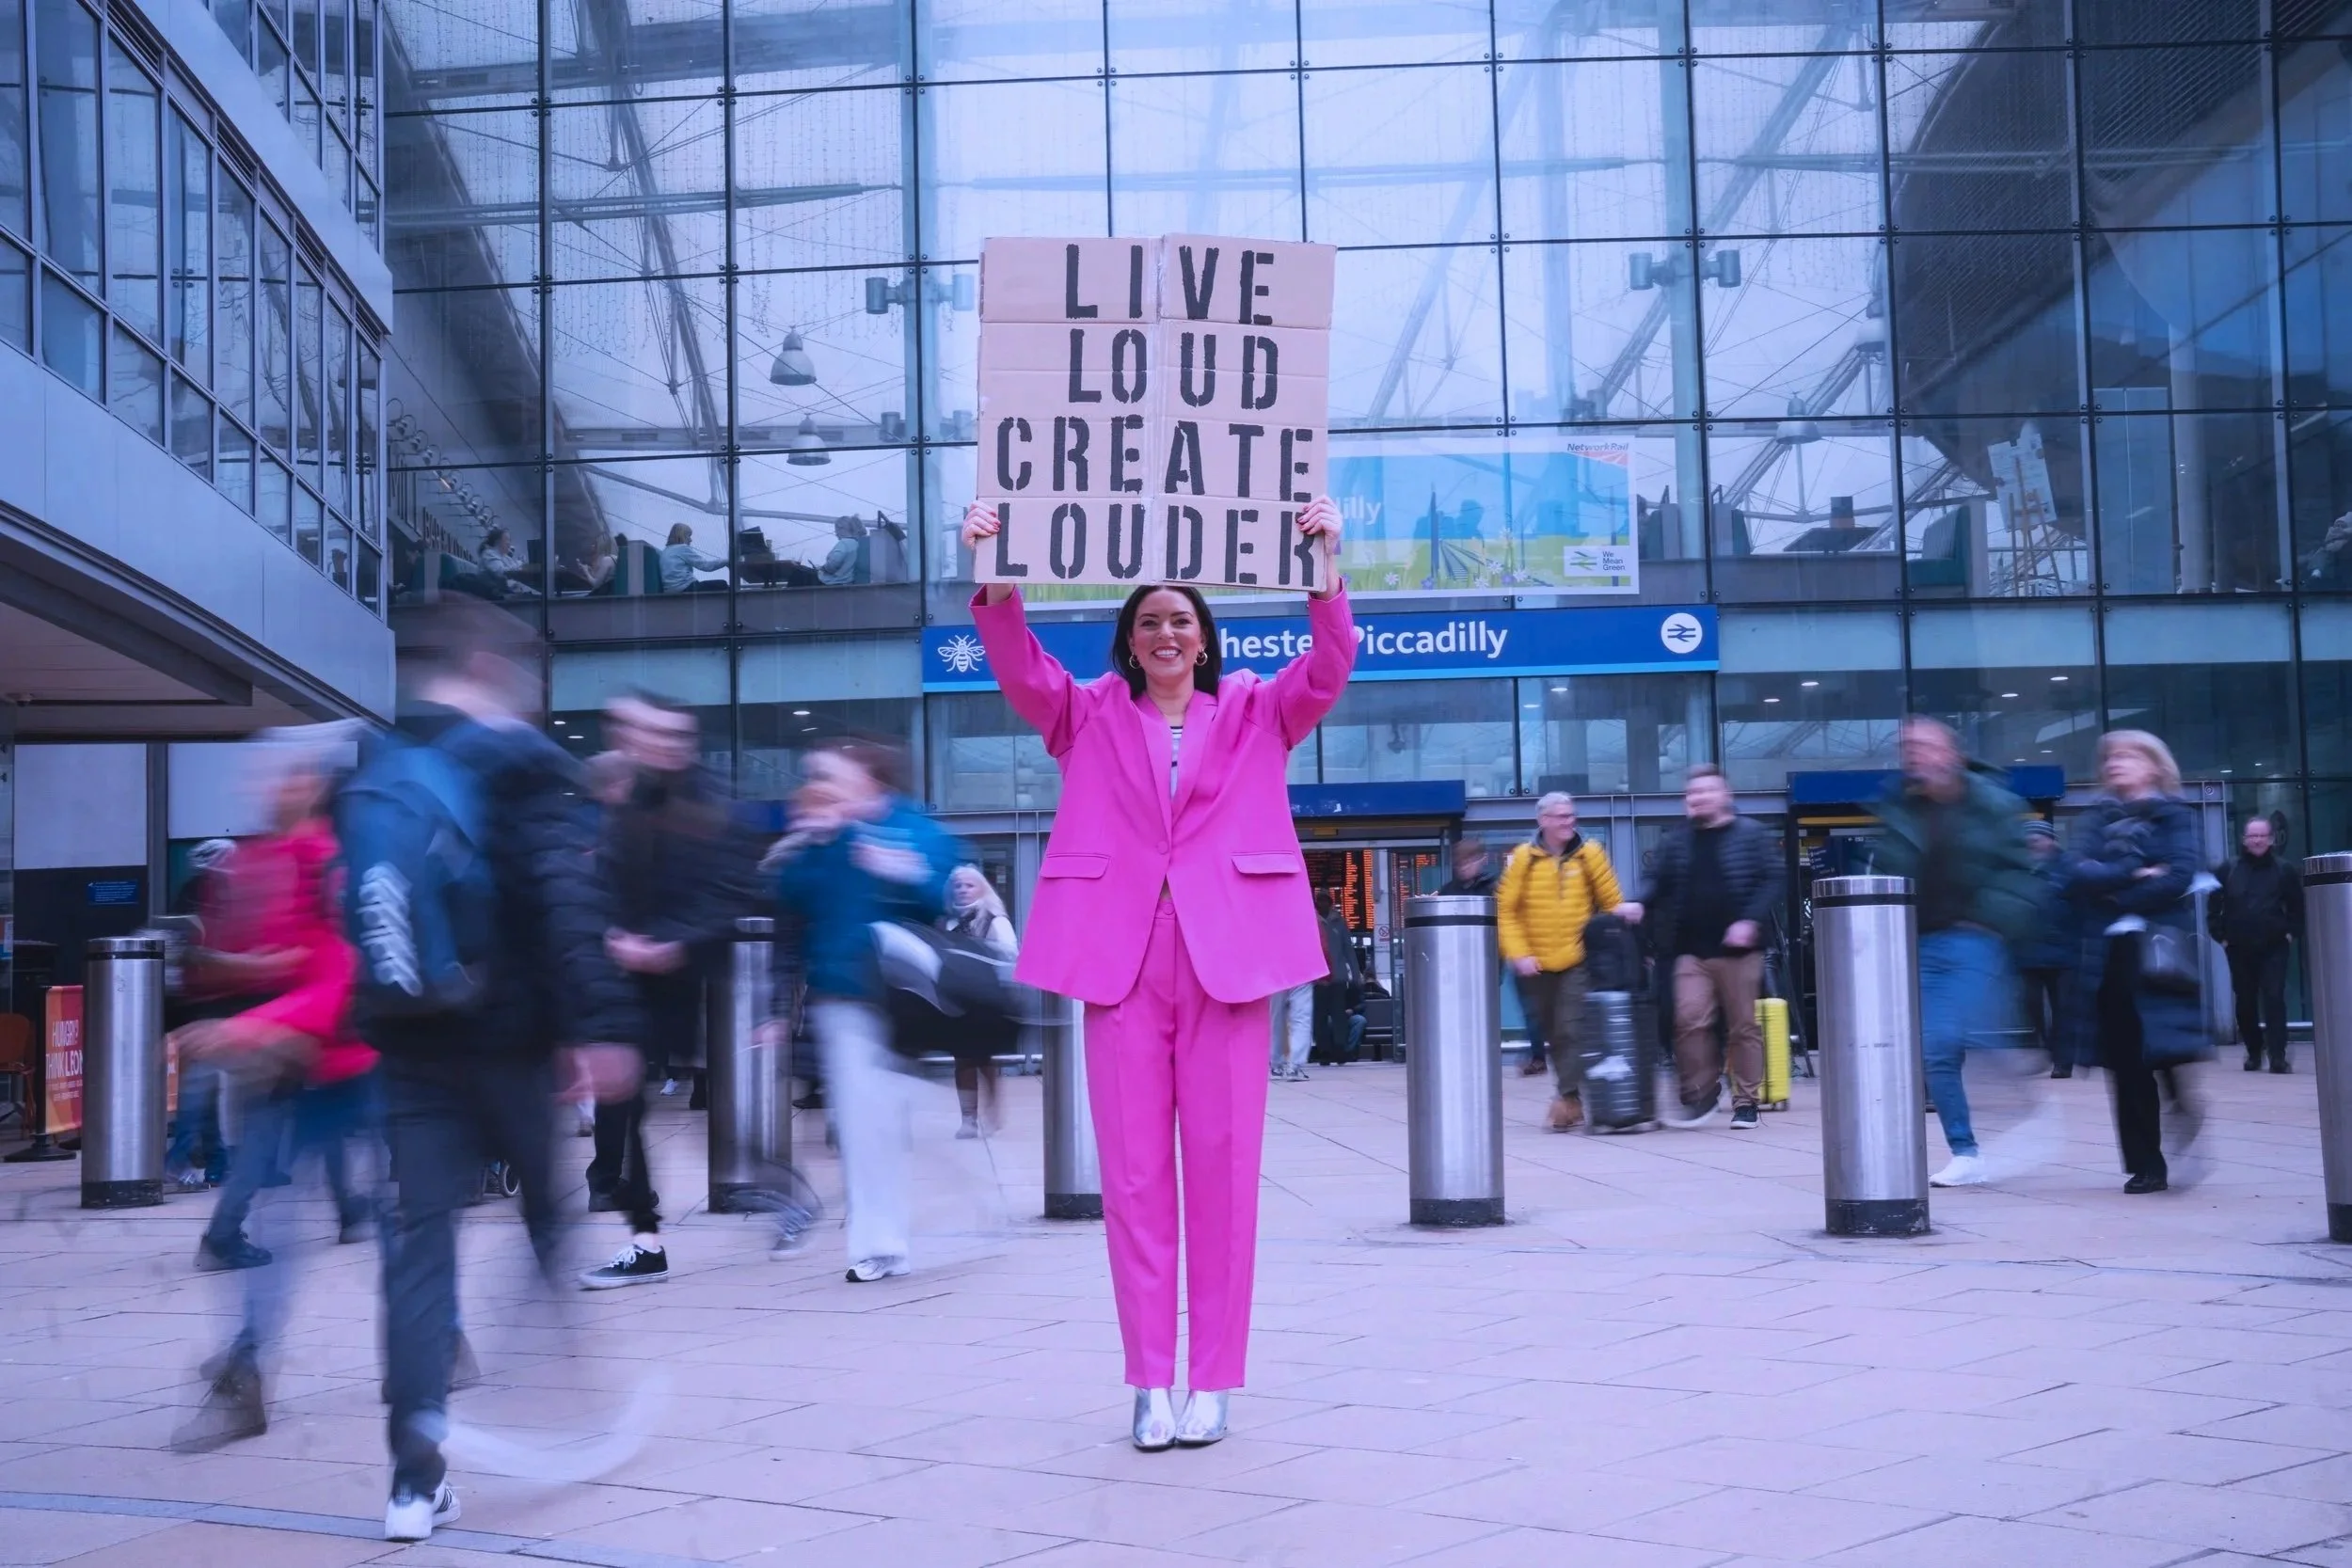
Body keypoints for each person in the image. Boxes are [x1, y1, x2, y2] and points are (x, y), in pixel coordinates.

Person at [961, 495, 1351, 1452]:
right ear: (1128, 643)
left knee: (1223, 1179)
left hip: (1227, 959)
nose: (1167, 632)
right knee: (1134, 1181)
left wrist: (1326, 564)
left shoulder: (1259, 710)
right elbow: (1016, 665)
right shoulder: (1082, 715)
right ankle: (1148, 1381)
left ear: (1204, 637)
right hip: (1121, 960)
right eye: (1149, 621)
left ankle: (1212, 1378)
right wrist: (992, 567)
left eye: (1182, 618)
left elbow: (1332, 665)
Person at [370, 599, 644, 1545]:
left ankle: (412, 1478)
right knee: (547, 1217)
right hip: (511, 1042)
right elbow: (564, 902)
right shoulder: (526, 766)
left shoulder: (378, 762)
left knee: (418, 1250)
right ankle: (550, 1397)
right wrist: (597, 1026)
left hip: (410, 1044)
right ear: (488, 664)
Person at [172, 732, 375, 1451]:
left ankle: (250, 1370)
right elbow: (275, 959)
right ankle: (249, 1364)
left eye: (284, 775)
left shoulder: (328, 862)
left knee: (317, 1227)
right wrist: (234, 980)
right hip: (295, 1065)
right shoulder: (268, 857)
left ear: (312, 785)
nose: (268, 785)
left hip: (350, 1063)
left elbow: (336, 969)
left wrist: (253, 1022)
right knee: (290, 1223)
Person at [580, 694, 754, 1289]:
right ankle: (645, 1238)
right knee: (626, 1106)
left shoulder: (709, 805)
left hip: (696, 979)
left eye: (660, 732)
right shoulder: (632, 801)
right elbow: (610, 886)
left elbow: (729, 896)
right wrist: (612, 937)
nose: (647, 742)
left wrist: (670, 946)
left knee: (721, 1115)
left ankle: (779, 1190)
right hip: (634, 980)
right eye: (634, 731)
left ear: (685, 737)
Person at [771, 738, 961, 1280]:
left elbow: (946, 893)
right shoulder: (826, 835)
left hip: (904, 998)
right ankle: (880, 1244)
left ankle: (909, 1222)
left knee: (879, 1121)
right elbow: (790, 900)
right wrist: (804, 845)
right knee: (861, 1125)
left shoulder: (912, 826)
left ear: (868, 778)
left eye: (832, 773)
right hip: (844, 998)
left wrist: (899, 868)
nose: (821, 783)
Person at [1871, 718, 2041, 1188]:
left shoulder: (1991, 803)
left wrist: (1989, 919)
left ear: (1950, 753)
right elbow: (1890, 868)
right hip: (1921, 941)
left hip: (1973, 937)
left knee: (1948, 1039)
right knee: (1936, 1049)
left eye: (1923, 745)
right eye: (1906, 746)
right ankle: (1967, 1151)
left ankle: (2015, 1115)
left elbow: (2020, 874)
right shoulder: (1899, 806)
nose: (1913, 754)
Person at [2060, 731, 2204, 1194]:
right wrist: (2133, 874)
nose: (2116, 763)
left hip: (2156, 946)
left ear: (2155, 766)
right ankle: (2147, 1163)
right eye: (2111, 757)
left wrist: (2112, 893)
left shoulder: (2172, 814)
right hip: (2107, 952)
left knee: (2161, 1047)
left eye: (2128, 755)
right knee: (2124, 1059)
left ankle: (2181, 1098)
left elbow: (2180, 874)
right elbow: (2074, 873)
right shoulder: (2097, 817)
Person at [1636, 765, 1783, 1131]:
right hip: (1691, 949)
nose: (1698, 798)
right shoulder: (1677, 839)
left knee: (1742, 1027)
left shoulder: (1751, 834)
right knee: (1688, 1020)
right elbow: (1655, 879)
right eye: (1692, 793)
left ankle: (1746, 1102)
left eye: (1706, 791)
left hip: (1739, 950)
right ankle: (1702, 1091)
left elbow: (1773, 879)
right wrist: (1637, 902)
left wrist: (1749, 921)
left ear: (1725, 795)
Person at [1496, 794, 1634, 1132]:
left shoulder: (1591, 854)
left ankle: (1567, 1099)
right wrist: (1518, 954)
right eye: (1560, 817)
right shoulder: (1522, 860)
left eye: (1571, 816)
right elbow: (1506, 912)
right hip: (1535, 965)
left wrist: (1624, 917)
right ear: (1542, 821)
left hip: (1578, 960)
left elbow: (1611, 902)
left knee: (1572, 1030)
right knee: (1555, 1035)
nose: (1568, 822)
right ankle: (1572, 1099)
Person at [2214, 815, 2302, 1073]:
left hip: (2274, 946)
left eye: (2262, 835)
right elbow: (2214, 905)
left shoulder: (2284, 870)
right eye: (2253, 836)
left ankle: (2277, 1056)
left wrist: (2291, 933)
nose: (2257, 840)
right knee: (2245, 1002)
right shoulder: (2228, 869)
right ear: (2244, 839)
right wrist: (2221, 936)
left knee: (2274, 999)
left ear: (2271, 839)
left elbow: (2297, 907)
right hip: (2238, 948)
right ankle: (2254, 1051)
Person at [944, 863, 1019, 1136]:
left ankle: (991, 1112)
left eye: (969, 885)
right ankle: (968, 1119)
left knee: (984, 1058)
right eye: (958, 885)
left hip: (987, 1000)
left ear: (981, 888)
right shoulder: (950, 922)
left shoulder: (995, 920)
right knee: (962, 1059)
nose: (962, 890)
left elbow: (1011, 956)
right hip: (958, 1001)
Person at [2016, 819, 2083, 1078]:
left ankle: (2062, 1061)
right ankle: (2048, 1050)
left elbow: (2082, 908)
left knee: (2063, 1010)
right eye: (2029, 840)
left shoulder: (2068, 868)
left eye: (2037, 838)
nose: (2032, 843)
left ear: (2050, 840)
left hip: (2063, 952)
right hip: (2028, 952)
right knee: (2031, 1006)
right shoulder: (2020, 869)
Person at [1311, 890, 1362, 1065]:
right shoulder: (1311, 921)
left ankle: (1340, 1050)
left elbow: (1348, 949)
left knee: (1339, 1015)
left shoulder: (1339, 922)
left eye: (1326, 900)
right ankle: (1324, 1051)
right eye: (1320, 901)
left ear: (1331, 902)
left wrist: (1355, 974)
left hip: (1338, 977)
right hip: (1319, 978)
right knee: (1320, 1017)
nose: (1323, 903)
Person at [659, 522, 726, 593]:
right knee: (722, 584)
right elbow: (706, 566)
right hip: (685, 587)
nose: (691, 540)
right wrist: (727, 561)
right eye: (688, 536)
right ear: (681, 536)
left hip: (669, 590)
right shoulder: (682, 548)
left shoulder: (666, 551)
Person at [818, 516, 872, 585]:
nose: (836, 534)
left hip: (834, 582)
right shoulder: (856, 543)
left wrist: (825, 568)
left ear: (841, 528)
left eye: (836, 531)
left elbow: (835, 560)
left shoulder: (844, 543)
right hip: (848, 581)